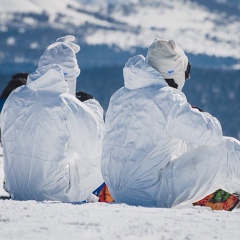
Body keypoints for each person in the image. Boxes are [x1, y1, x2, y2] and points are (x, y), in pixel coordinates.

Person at [101, 39, 240, 208]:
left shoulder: (120, 96)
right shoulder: (166, 99)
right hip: (149, 192)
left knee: (184, 141)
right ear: (176, 73)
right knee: (229, 149)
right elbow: (214, 135)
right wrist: (199, 113)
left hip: (118, 189)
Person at [0, 35, 105, 203]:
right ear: (71, 75)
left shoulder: (15, 96)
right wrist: (92, 108)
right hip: (53, 193)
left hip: (17, 189)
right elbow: (97, 145)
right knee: (101, 155)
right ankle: (86, 196)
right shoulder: (65, 103)